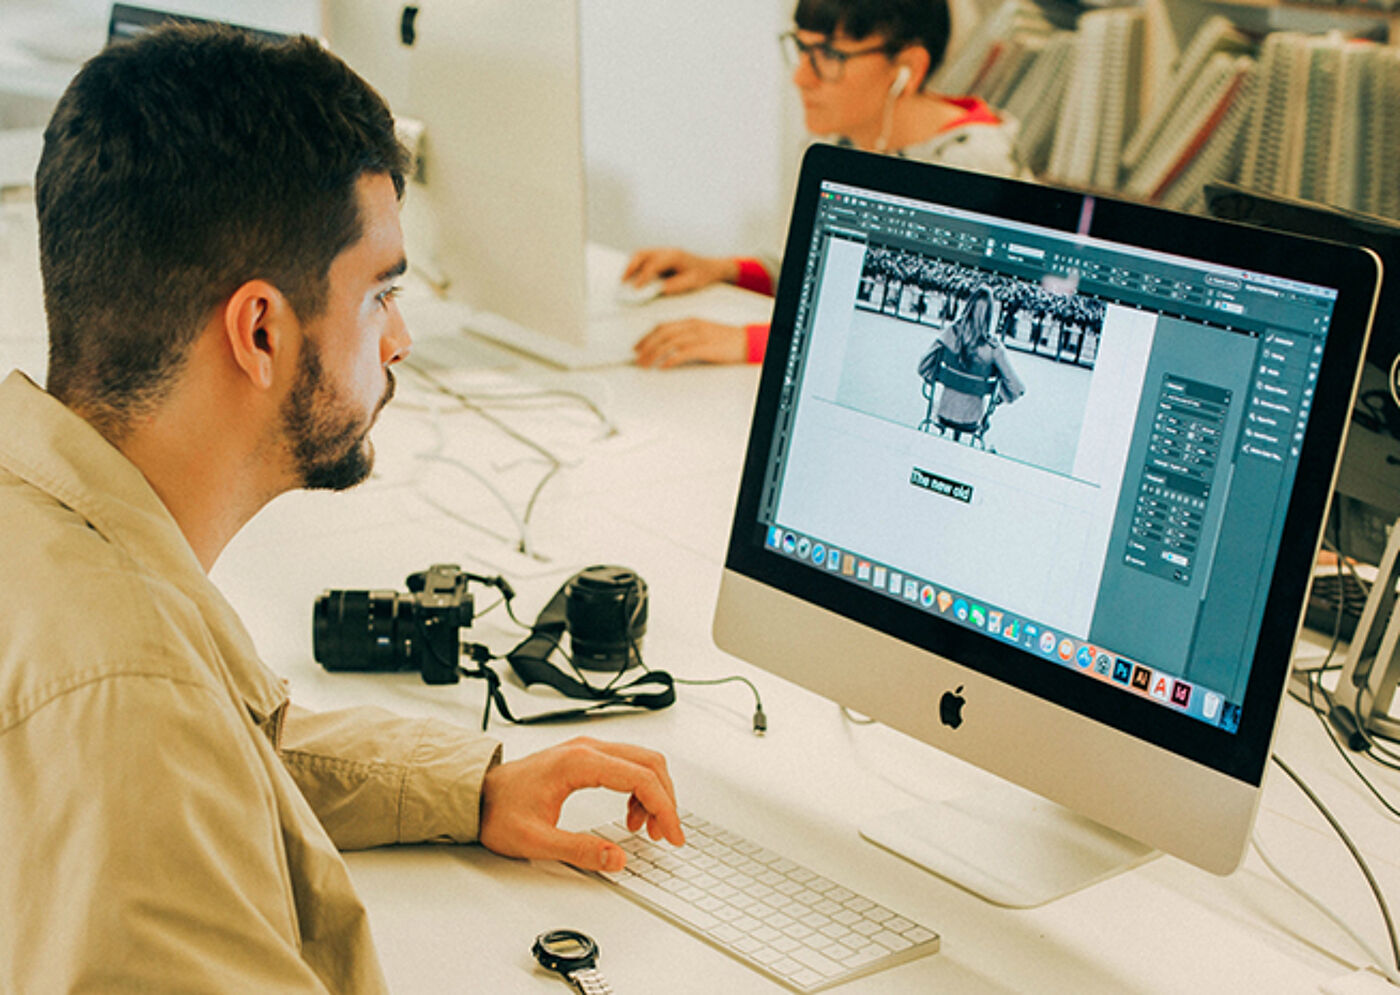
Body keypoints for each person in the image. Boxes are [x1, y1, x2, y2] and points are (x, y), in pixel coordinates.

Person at [0, 24, 682, 992]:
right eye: (379, 296)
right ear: (262, 330)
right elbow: (156, 736)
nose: (400, 340)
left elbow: (224, 753)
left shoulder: (40, 508)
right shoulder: (131, 702)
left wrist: (473, 786)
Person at [628, 0, 1021, 369]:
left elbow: (917, 330)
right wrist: (725, 271)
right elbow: (830, 279)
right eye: (802, 49)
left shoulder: (973, 163)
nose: (801, 77)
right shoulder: (844, 138)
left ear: (908, 68)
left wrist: (754, 342)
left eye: (830, 56)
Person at [917, 285, 1025, 439]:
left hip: (944, 412)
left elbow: (923, 366)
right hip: (971, 420)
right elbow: (1017, 388)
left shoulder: (950, 334)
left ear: (968, 307)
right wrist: (998, 395)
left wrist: (938, 378)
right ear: (989, 315)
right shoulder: (993, 348)